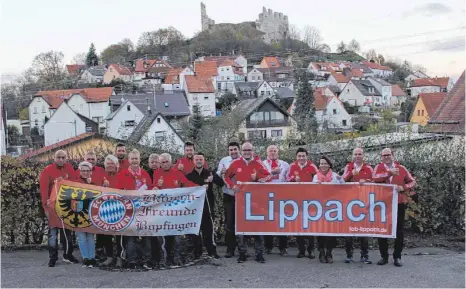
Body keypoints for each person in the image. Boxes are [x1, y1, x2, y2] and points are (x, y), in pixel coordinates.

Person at [223, 141, 272, 264]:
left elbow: (269, 176)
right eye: (244, 150)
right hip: (241, 200)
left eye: (249, 150)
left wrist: (261, 179)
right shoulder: (236, 163)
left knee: (257, 226)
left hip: (256, 200)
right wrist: (232, 186)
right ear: (241, 151)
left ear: (252, 151)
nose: (247, 152)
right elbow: (226, 177)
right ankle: (242, 253)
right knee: (241, 227)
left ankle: (259, 253)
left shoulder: (258, 163)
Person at [373, 148, 416, 267]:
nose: (386, 157)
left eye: (388, 155)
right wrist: (388, 173)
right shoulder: (378, 168)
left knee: (399, 230)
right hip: (382, 204)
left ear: (393, 155)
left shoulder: (401, 168)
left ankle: (397, 256)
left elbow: (412, 182)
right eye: (384, 155)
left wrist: (404, 187)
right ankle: (384, 256)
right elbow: (374, 179)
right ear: (381, 157)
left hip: (398, 203)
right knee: (382, 230)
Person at [153, 153, 197, 268]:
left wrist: (200, 187)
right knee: (162, 236)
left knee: (176, 236)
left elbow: (187, 184)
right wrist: (156, 186)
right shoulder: (156, 173)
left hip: (175, 210)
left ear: (171, 162)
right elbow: (152, 189)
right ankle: (164, 259)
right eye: (163, 162)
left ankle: (175, 258)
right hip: (162, 210)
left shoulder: (177, 173)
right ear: (160, 163)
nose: (165, 164)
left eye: (167, 161)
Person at [40, 150, 79, 267]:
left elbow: (74, 184)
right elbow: (44, 188)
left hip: (66, 206)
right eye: (59, 157)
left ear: (66, 158)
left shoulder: (69, 168)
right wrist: (46, 206)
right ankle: (53, 257)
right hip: (52, 207)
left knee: (67, 232)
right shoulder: (48, 170)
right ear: (54, 158)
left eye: (63, 157)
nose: (61, 160)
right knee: (52, 234)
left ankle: (68, 255)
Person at [116, 149, 153, 270]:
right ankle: (132, 261)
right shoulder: (122, 174)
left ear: (139, 159)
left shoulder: (145, 174)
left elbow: (151, 189)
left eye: (136, 158)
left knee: (145, 235)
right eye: (132, 159)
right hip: (129, 209)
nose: (134, 161)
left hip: (143, 210)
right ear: (129, 160)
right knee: (131, 236)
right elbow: (118, 190)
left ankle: (146, 260)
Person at [186, 153, 224, 259]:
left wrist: (214, 179)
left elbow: (221, 183)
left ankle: (212, 251)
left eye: (200, 159)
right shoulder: (189, 175)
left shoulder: (210, 173)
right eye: (197, 159)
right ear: (193, 161)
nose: (198, 161)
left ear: (204, 161)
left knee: (209, 230)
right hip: (194, 208)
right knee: (195, 232)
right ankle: (197, 253)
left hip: (208, 206)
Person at [342, 147, 374, 264]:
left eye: (360, 154)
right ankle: (349, 255)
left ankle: (364, 255)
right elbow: (342, 181)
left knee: (363, 230)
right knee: (349, 231)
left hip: (364, 202)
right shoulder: (348, 167)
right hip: (350, 202)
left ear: (363, 156)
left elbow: (375, 182)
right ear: (352, 156)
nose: (357, 156)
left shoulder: (369, 168)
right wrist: (351, 173)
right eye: (355, 154)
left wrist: (365, 181)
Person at [286, 147, 318, 259]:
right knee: (299, 226)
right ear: (296, 157)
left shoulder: (312, 166)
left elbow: (318, 179)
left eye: (303, 156)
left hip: (310, 200)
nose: (301, 158)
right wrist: (294, 179)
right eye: (299, 156)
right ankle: (301, 250)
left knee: (310, 226)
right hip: (296, 200)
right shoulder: (292, 166)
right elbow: (287, 178)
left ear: (306, 157)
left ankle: (311, 250)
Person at [312, 155, 344, 264]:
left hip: (333, 208)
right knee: (320, 231)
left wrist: (342, 180)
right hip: (320, 207)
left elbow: (345, 189)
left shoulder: (335, 176)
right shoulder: (316, 177)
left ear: (329, 165)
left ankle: (329, 253)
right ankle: (321, 252)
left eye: (325, 163)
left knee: (331, 232)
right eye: (321, 163)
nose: (323, 165)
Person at [262, 145, 290, 256]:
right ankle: (268, 247)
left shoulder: (285, 165)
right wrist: (272, 172)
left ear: (278, 152)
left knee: (281, 223)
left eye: (274, 151)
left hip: (281, 198)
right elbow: (260, 179)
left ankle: (282, 248)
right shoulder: (262, 164)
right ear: (267, 153)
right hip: (266, 198)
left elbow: (288, 180)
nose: (273, 153)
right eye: (270, 151)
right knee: (268, 223)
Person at [216, 141, 241, 258]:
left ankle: (242, 249)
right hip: (229, 195)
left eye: (235, 149)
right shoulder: (224, 161)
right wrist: (221, 173)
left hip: (243, 196)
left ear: (239, 150)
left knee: (242, 223)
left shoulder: (243, 161)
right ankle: (230, 249)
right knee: (229, 224)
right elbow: (218, 178)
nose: (233, 152)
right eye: (231, 150)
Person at [73, 161, 99, 268]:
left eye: (87, 170)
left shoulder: (94, 183)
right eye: (83, 170)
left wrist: (90, 184)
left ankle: (92, 257)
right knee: (82, 237)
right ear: (79, 171)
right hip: (78, 212)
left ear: (90, 172)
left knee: (90, 237)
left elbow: (97, 196)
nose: (85, 172)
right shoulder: (75, 182)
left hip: (91, 212)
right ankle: (85, 258)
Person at [84, 151, 106, 261]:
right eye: (89, 159)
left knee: (100, 228)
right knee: (88, 230)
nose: (91, 161)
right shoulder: (80, 171)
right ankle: (88, 254)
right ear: (85, 159)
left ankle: (99, 250)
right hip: (85, 205)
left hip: (100, 204)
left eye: (93, 159)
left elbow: (105, 185)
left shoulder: (101, 171)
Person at [99, 155, 120, 267]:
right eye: (108, 164)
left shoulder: (121, 176)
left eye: (112, 163)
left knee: (120, 236)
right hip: (105, 210)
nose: (110, 166)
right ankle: (109, 256)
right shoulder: (102, 176)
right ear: (105, 166)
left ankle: (121, 257)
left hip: (120, 210)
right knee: (106, 235)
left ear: (116, 165)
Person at [146, 153, 162, 268]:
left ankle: (163, 257)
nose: (154, 164)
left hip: (162, 207)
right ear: (149, 163)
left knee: (161, 233)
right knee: (151, 233)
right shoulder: (145, 173)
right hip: (149, 208)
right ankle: (153, 257)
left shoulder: (163, 173)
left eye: (156, 162)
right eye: (152, 162)